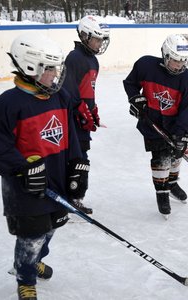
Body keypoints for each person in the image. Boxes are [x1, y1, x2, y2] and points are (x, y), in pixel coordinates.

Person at [0, 32, 88, 300]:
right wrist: (22, 168)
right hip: (26, 190)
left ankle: (34, 260)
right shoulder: (8, 104)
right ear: (29, 67)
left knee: (50, 228)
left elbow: (69, 136)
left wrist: (78, 164)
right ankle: (25, 278)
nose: (55, 74)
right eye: (49, 68)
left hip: (56, 180)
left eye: (55, 67)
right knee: (31, 236)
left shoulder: (59, 97)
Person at [123, 34, 188, 219]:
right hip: (151, 122)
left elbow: (187, 110)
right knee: (161, 158)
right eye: (174, 61)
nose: (179, 66)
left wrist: (182, 135)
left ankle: (171, 183)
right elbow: (130, 83)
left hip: (174, 123)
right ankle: (162, 193)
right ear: (165, 54)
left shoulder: (187, 79)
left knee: (175, 154)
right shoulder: (146, 65)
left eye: (182, 61)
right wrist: (135, 99)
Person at [63, 15, 110, 214]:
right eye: (97, 39)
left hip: (82, 116)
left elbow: (87, 89)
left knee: (82, 157)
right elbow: (67, 89)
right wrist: (79, 108)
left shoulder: (93, 61)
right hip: (72, 118)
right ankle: (70, 198)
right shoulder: (74, 58)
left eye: (102, 40)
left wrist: (92, 108)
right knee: (75, 157)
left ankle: (75, 197)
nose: (100, 44)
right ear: (84, 35)